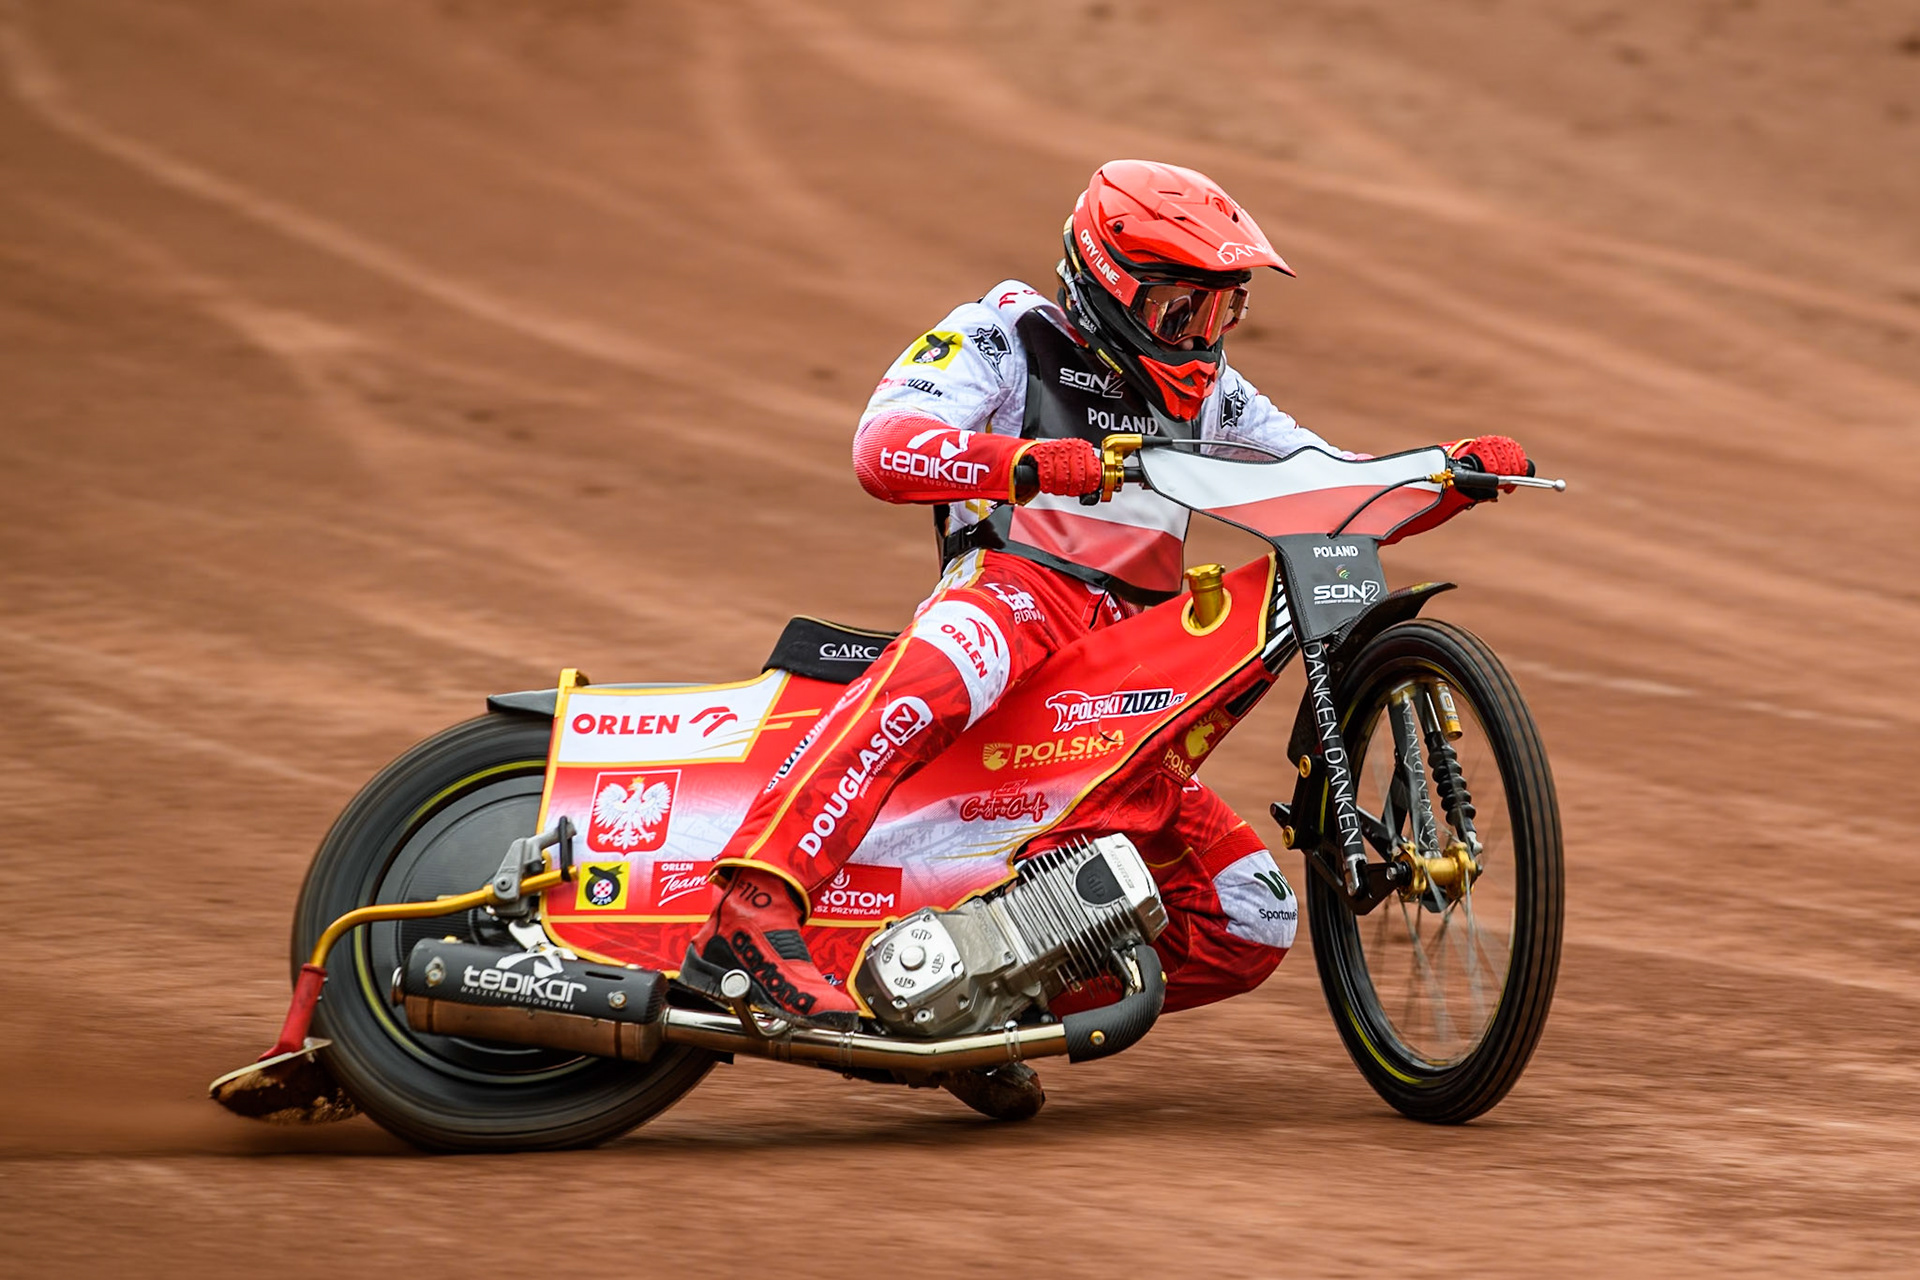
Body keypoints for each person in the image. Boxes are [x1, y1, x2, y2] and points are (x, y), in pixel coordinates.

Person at [678, 159, 1529, 1115]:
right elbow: (883, 447)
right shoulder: (1005, 332)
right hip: (1016, 598)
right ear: (1110, 281)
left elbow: (1325, 486)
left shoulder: (1215, 398)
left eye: (1221, 314)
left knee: (1252, 916)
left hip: (1132, 678)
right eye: (1180, 313)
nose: (1202, 340)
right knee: (965, 642)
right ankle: (751, 910)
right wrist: (1029, 462)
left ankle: (980, 1001)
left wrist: (1441, 480)